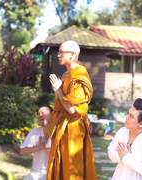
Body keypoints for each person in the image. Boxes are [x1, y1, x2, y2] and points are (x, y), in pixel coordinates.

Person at [46, 40, 97, 180]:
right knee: (61, 165)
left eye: (62, 52)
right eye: (59, 52)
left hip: (73, 128)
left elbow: (72, 110)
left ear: (73, 55)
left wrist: (58, 91)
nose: (58, 55)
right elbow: (61, 105)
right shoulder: (65, 75)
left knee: (72, 168)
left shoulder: (79, 75)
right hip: (62, 127)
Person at [20, 106, 52, 180]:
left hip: (54, 171)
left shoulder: (58, 132)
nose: (40, 115)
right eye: (39, 113)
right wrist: (38, 147)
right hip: (36, 172)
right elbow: (22, 151)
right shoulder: (35, 131)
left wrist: (51, 149)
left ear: (52, 115)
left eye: (43, 112)